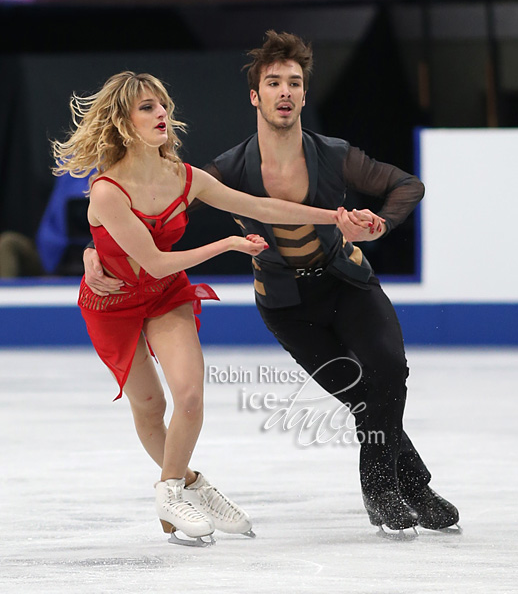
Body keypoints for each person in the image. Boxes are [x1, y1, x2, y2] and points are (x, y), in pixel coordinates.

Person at [84, 34, 460, 536]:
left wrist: (355, 220)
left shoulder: (317, 157)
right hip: (256, 304)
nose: (285, 91)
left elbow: (280, 206)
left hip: (328, 284)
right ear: (255, 96)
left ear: (305, 94)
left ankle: (390, 487)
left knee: (383, 371)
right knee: (354, 396)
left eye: (295, 83)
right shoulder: (216, 171)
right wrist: (94, 253)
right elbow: (137, 236)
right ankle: (189, 484)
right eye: (273, 82)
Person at [54, 70, 346, 546]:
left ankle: (169, 492)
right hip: (114, 304)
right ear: (123, 121)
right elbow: (151, 260)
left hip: (166, 296)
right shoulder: (108, 190)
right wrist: (228, 242)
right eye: (146, 107)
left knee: (189, 397)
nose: (161, 113)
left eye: (162, 104)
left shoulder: (185, 178)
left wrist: (334, 218)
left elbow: (262, 206)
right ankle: (191, 483)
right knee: (151, 406)